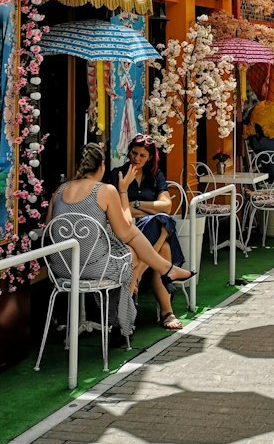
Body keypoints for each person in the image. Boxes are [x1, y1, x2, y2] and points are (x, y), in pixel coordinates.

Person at [47, 142, 193, 342]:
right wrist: (123, 191)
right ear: (102, 166)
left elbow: (49, 229)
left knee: (131, 250)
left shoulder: (59, 190)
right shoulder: (106, 190)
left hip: (60, 269)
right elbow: (125, 231)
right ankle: (120, 321)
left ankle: (164, 271)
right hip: (91, 269)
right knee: (131, 252)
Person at [111, 135, 186, 332]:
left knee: (159, 223)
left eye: (142, 155)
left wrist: (135, 205)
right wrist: (151, 209)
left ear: (150, 157)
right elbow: (117, 210)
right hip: (124, 234)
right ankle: (167, 312)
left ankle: (137, 274)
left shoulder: (155, 177)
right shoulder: (118, 174)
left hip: (143, 234)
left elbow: (167, 206)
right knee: (162, 239)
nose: (137, 158)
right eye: (134, 153)